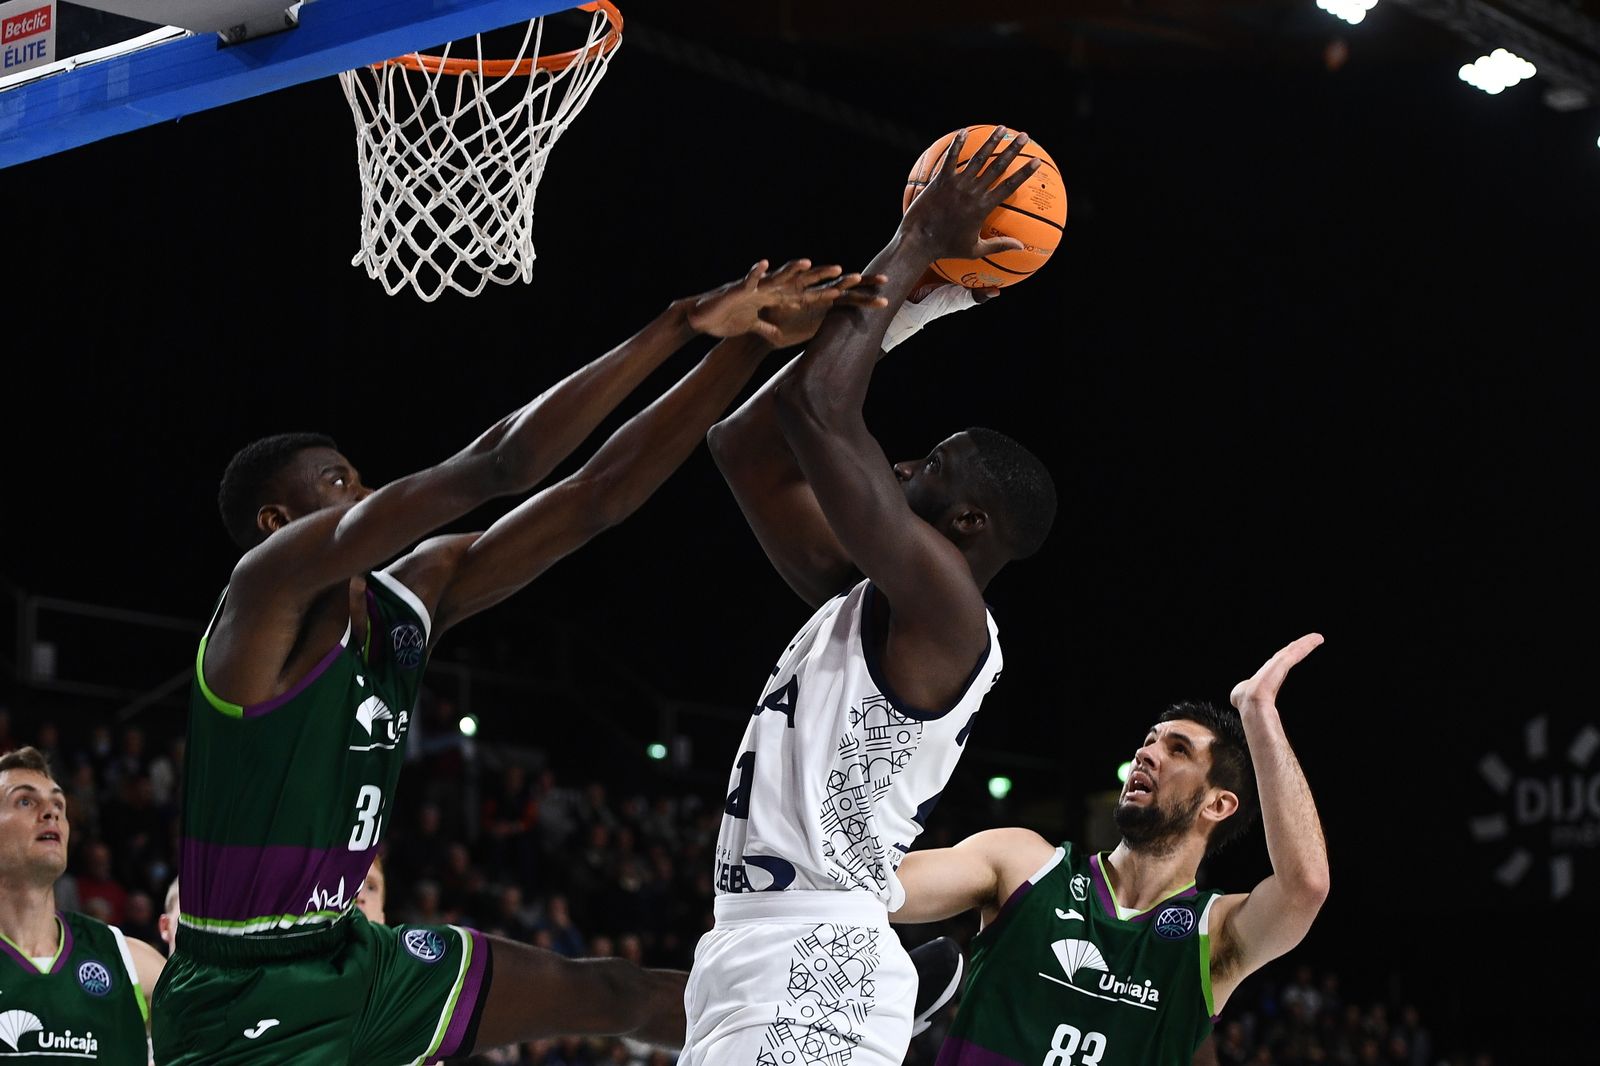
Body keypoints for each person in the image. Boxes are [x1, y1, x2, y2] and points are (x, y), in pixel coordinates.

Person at [151, 258, 886, 1066]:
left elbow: (599, 493)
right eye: (336, 482)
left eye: (357, 474)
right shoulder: (260, 598)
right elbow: (503, 463)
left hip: (354, 955)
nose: (362, 492)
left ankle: (839, 1023)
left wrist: (745, 342)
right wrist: (682, 322)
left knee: (616, 991)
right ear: (275, 521)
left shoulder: (409, 600)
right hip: (240, 992)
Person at [685, 126, 1058, 1066]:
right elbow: (745, 444)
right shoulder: (869, 604)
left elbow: (819, 412)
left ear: (968, 524)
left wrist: (919, 242)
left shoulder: (946, 610)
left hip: (815, 962)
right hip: (764, 947)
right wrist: (920, 304)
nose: (897, 464)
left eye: (926, 467)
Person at [890, 633, 1332, 1065]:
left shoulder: (1211, 935)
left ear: (1218, 804)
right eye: (1149, 740)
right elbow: (876, 888)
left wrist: (1257, 712)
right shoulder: (1024, 863)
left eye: (1177, 750)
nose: (1147, 753)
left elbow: (1305, 887)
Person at [0, 746, 167, 1065]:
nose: (52, 812)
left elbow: (226, 1040)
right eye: (25, 800)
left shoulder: (130, 961)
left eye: (58, 804)